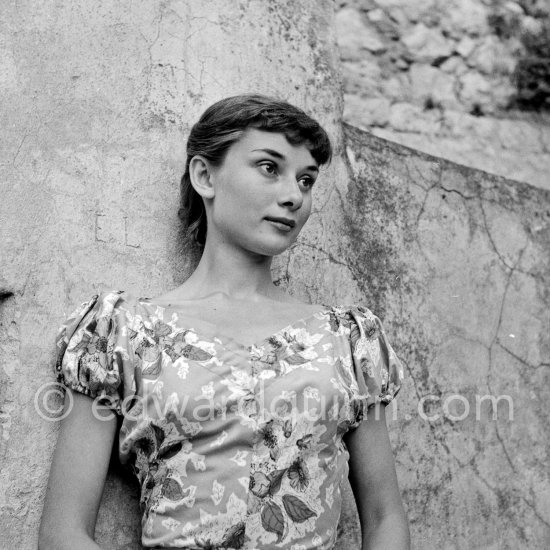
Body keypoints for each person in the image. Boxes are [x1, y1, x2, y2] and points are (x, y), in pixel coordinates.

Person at [39, 94, 410, 550]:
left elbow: (384, 518)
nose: (294, 195)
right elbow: (63, 533)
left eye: (307, 179)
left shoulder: (349, 340)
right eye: (269, 167)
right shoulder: (122, 333)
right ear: (205, 175)